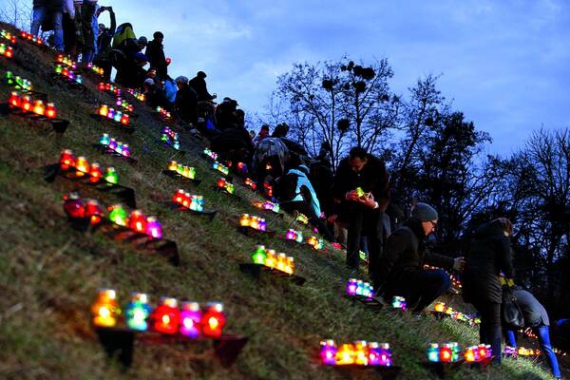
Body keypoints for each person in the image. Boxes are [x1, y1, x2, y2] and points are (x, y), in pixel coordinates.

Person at [378, 203, 464, 314]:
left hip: (406, 284)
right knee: (441, 277)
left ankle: (414, 307)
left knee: (442, 277)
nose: (433, 229)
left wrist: (452, 262)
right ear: (423, 220)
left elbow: (429, 257)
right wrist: (380, 290)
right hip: (397, 284)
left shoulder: (416, 238)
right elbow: (387, 261)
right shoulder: (404, 234)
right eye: (433, 224)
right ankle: (415, 309)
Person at [331, 147, 390, 281]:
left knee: (376, 237)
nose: (354, 170)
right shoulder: (344, 165)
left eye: (357, 167)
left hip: (374, 206)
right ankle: (352, 267)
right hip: (354, 206)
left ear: (365, 161)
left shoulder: (378, 167)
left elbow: (384, 191)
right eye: (352, 166)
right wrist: (346, 195)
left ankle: (375, 273)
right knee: (354, 234)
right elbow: (335, 188)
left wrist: (375, 204)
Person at [461, 217, 515, 364]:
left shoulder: (477, 238)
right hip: (489, 284)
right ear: (507, 229)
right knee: (494, 323)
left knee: (486, 320)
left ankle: (483, 355)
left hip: (471, 284)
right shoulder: (501, 238)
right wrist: (510, 274)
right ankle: (495, 361)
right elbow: (506, 263)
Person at [504, 287, 561, 379]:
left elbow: (511, 315)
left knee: (508, 325)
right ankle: (557, 375)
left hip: (533, 317)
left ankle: (511, 352)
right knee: (547, 347)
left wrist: (526, 327)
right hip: (544, 318)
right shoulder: (525, 293)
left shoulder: (510, 295)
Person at [275, 165, 335, 242]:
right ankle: (331, 240)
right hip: (298, 203)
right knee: (316, 220)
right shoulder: (304, 178)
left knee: (298, 210)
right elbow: (314, 199)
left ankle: (294, 213)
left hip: (282, 204)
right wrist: (318, 216)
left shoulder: (286, 175)